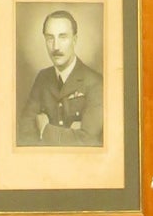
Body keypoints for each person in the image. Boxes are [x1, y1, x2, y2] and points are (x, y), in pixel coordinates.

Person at [18, 9, 103, 145]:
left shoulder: (96, 83)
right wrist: (70, 134)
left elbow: (88, 141)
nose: (55, 47)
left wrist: (45, 129)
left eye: (63, 37)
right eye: (50, 38)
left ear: (74, 40)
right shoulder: (42, 78)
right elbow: (23, 134)